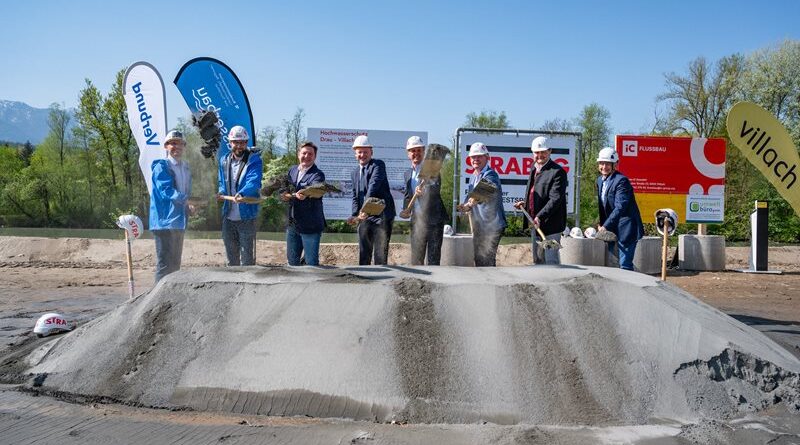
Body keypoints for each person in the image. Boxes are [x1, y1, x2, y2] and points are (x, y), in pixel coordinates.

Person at [513, 136, 567, 265]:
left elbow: (555, 199)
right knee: (537, 260)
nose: (540, 155)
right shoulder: (534, 169)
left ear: (550, 151)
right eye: (537, 152)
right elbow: (534, 193)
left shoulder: (558, 172)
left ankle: (555, 285)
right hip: (536, 224)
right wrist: (525, 205)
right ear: (533, 153)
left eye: (543, 152)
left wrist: (540, 216)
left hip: (551, 225)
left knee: (551, 260)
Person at [149, 130, 193, 283]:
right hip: (163, 222)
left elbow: (185, 193)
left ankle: (170, 299)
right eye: (173, 143)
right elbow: (166, 191)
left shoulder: (186, 168)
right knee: (164, 265)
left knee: (175, 265)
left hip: (179, 222)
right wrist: (186, 200)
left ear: (184, 147)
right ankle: (155, 299)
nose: (177, 146)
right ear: (166, 146)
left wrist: (189, 207)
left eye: (180, 143)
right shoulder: (161, 166)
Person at [216, 125, 263, 266]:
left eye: (242, 142)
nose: (239, 145)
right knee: (231, 256)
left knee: (247, 257)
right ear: (230, 143)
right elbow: (221, 181)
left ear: (246, 143)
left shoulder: (254, 160)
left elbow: (254, 181)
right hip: (228, 215)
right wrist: (221, 192)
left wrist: (242, 193)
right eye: (235, 142)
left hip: (246, 216)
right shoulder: (224, 160)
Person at [347, 135, 396, 265]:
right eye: (359, 152)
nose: (362, 155)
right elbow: (355, 196)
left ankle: (381, 282)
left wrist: (364, 210)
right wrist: (354, 215)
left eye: (365, 152)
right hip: (365, 217)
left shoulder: (378, 165)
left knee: (380, 254)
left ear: (371, 152)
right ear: (355, 154)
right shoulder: (354, 173)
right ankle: (365, 279)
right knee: (364, 253)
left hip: (382, 216)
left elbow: (372, 187)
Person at [399, 136, 447, 265]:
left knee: (433, 259)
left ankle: (435, 284)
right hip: (417, 222)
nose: (416, 153)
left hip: (434, 221)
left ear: (424, 151)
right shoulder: (407, 174)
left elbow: (435, 188)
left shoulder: (431, 168)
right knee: (416, 258)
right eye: (412, 150)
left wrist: (424, 191)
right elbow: (407, 195)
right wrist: (406, 209)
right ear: (408, 153)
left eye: (419, 150)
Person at [596, 146, 645, 271]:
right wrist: (601, 224)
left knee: (625, 265)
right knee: (614, 265)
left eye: (608, 164)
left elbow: (620, 206)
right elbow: (604, 206)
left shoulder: (621, 181)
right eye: (601, 163)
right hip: (612, 228)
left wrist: (606, 225)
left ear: (615, 164)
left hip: (626, 228)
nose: (604, 167)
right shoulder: (600, 181)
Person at [458, 142, 506, 266]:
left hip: (492, 226)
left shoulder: (491, 175)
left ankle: (492, 285)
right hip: (480, 226)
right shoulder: (473, 177)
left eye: (479, 156)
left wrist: (470, 203)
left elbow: (483, 191)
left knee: (487, 260)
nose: (476, 159)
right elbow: (470, 197)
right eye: (473, 157)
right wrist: (464, 206)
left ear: (487, 157)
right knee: (479, 260)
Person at [281, 141, 326, 266]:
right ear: (298, 154)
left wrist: (303, 194)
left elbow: (313, 189)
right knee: (292, 261)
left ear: (314, 157)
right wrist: (283, 194)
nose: (306, 156)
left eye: (310, 154)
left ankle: (312, 285)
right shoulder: (292, 170)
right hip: (292, 224)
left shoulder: (318, 174)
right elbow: (284, 187)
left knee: (311, 262)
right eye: (304, 153)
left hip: (310, 225)